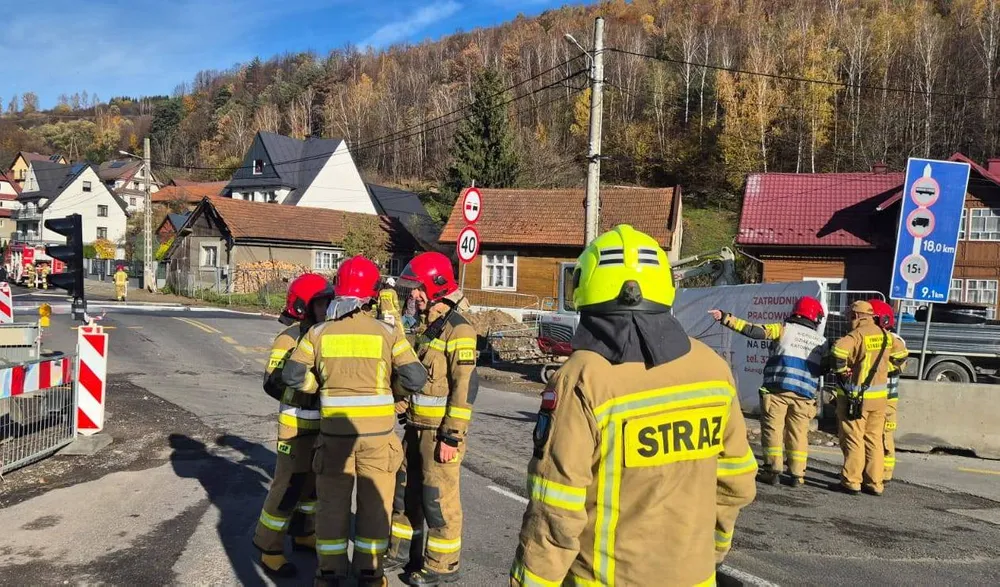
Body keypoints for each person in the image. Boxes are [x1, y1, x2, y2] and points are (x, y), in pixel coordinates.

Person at [510, 225, 757, 586]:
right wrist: (710, 552)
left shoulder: (583, 377)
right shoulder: (713, 368)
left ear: (586, 287)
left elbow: (556, 509)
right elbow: (737, 482)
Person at [283, 256, 427, 587]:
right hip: (378, 438)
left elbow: (292, 376)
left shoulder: (319, 333)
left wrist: (317, 387)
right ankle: (370, 574)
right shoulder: (388, 333)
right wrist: (394, 389)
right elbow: (416, 378)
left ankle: (329, 574)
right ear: (372, 295)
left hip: (334, 436)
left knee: (331, 507)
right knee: (374, 508)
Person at [385, 252, 479, 586]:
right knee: (405, 493)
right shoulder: (429, 327)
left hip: (439, 435)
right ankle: (399, 550)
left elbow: (463, 390)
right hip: (414, 427)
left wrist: (452, 437)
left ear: (438, 287)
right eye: (411, 289)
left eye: (419, 289)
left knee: (438, 501)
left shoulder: (459, 331)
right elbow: (418, 378)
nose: (413, 295)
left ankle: (442, 564)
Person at [252, 273, 334, 578]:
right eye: (323, 302)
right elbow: (273, 384)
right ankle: (268, 546)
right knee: (287, 488)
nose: (329, 307)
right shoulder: (289, 338)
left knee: (311, 488)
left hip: (322, 427)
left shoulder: (327, 334)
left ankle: (303, 534)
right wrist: (313, 388)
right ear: (306, 306)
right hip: (296, 426)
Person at [709, 296, 827, 487]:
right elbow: (825, 367)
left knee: (773, 430)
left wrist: (726, 318)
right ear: (816, 318)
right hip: (805, 395)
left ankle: (773, 471)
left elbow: (754, 331)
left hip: (777, 389)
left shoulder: (784, 329)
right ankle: (798, 475)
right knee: (798, 434)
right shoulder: (822, 341)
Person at [830, 300, 894, 496]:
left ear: (857, 316)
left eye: (851, 316)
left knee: (853, 438)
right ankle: (875, 483)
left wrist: (841, 372)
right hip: (880, 399)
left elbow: (838, 350)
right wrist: (886, 370)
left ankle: (852, 481)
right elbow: (901, 355)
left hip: (857, 398)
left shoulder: (857, 334)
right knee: (874, 439)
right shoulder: (886, 335)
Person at [869, 299, 909, 482]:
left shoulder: (894, 340)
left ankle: (883, 474)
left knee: (883, 435)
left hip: (885, 399)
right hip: (875, 397)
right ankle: (874, 472)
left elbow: (899, 365)